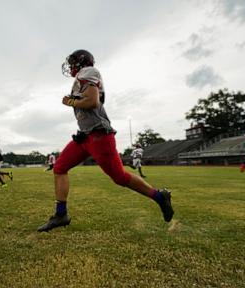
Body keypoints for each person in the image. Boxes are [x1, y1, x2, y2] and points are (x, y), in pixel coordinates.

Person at [37, 49, 174, 232]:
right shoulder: (83, 77)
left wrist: (70, 102)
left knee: (119, 177)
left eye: (72, 62)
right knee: (60, 167)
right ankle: (61, 214)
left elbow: (92, 102)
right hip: (85, 135)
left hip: (99, 135)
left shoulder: (88, 72)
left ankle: (159, 196)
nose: (70, 66)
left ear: (81, 62)